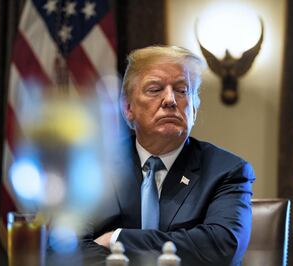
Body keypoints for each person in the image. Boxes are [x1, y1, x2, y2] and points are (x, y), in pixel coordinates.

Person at [79, 45, 255, 266]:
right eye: (155, 89)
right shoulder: (94, 166)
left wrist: (117, 238)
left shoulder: (227, 170)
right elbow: (66, 247)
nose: (170, 100)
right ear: (127, 108)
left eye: (182, 90)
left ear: (194, 109)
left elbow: (221, 247)